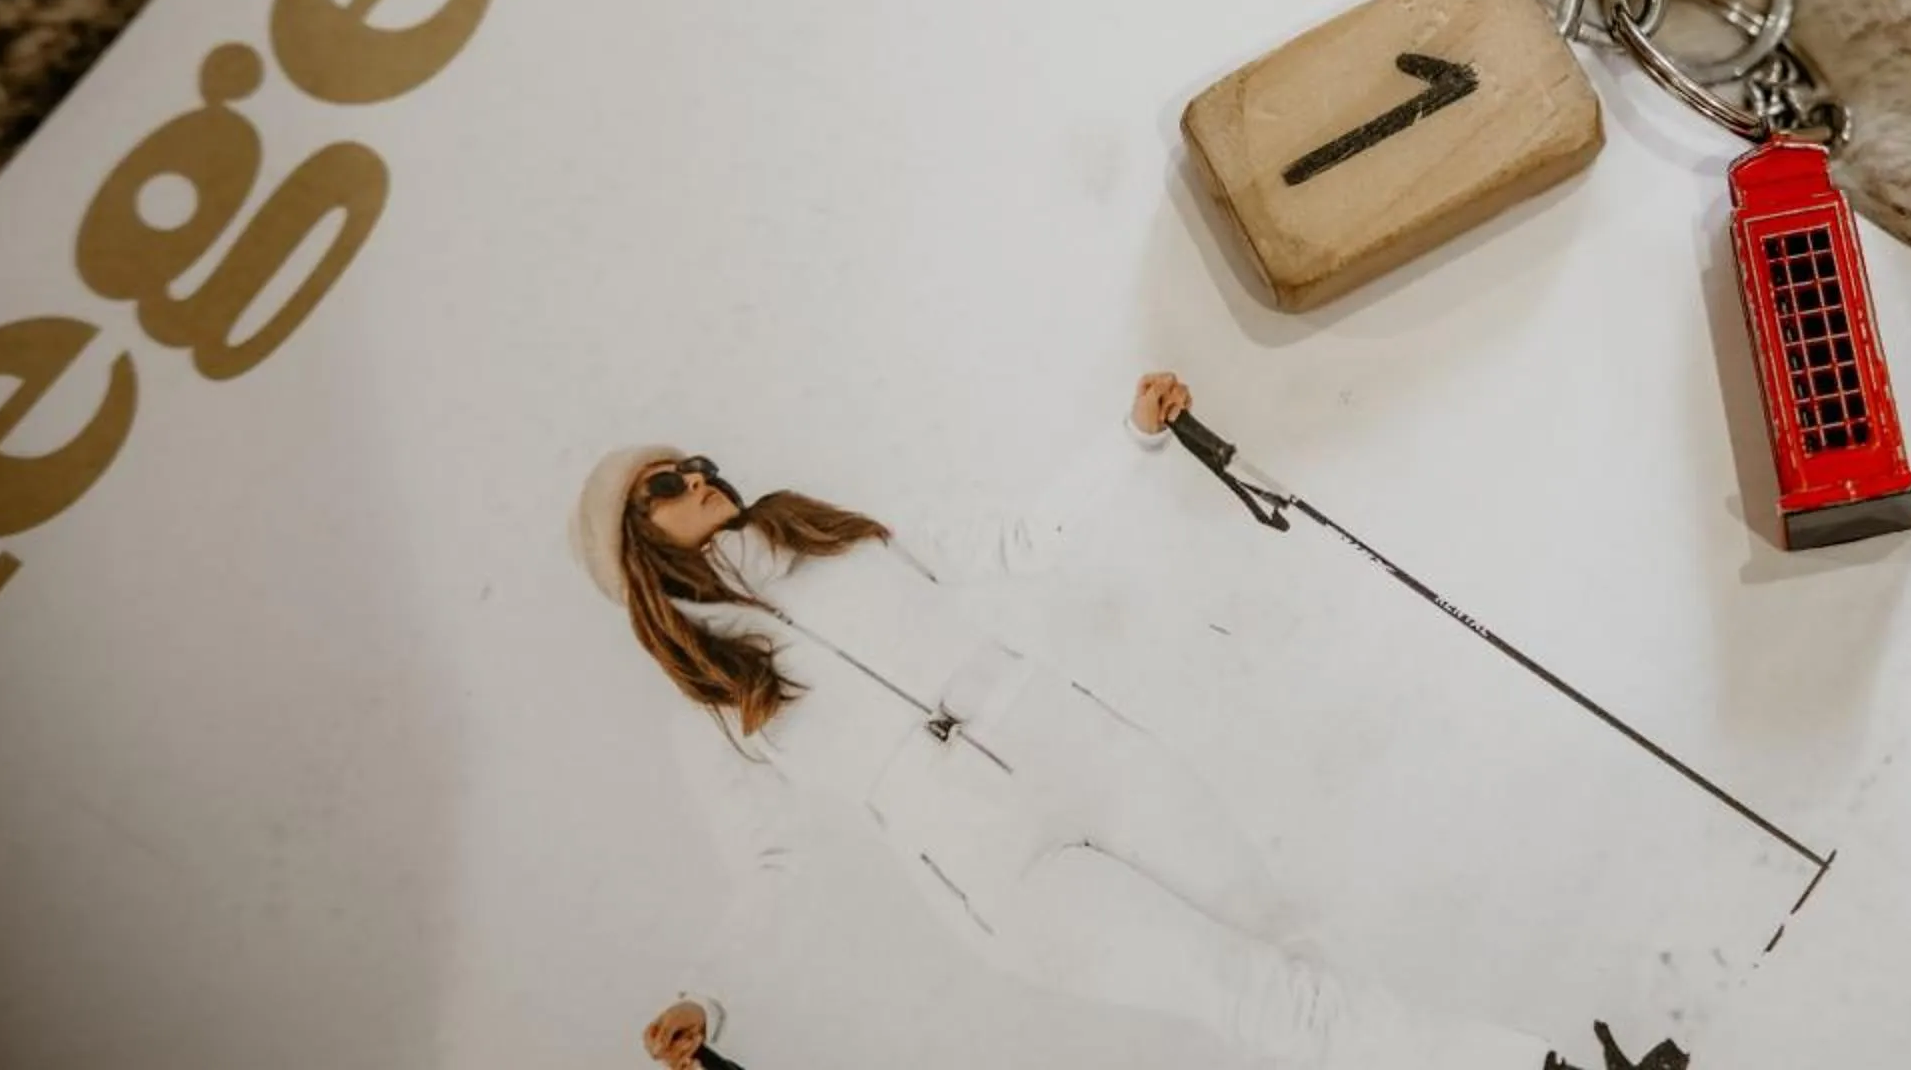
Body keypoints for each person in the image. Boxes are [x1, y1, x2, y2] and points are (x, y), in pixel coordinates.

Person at [578, 372, 1571, 1070]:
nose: (694, 477)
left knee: (1284, 943)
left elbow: (1015, 538)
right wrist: (703, 997)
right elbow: (766, 864)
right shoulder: (708, 696)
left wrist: (1131, 438)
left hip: (1084, 748)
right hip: (995, 865)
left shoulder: (827, 532)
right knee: (1250, 989)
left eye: (693, 461)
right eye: (662, 484)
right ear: (631, 546)